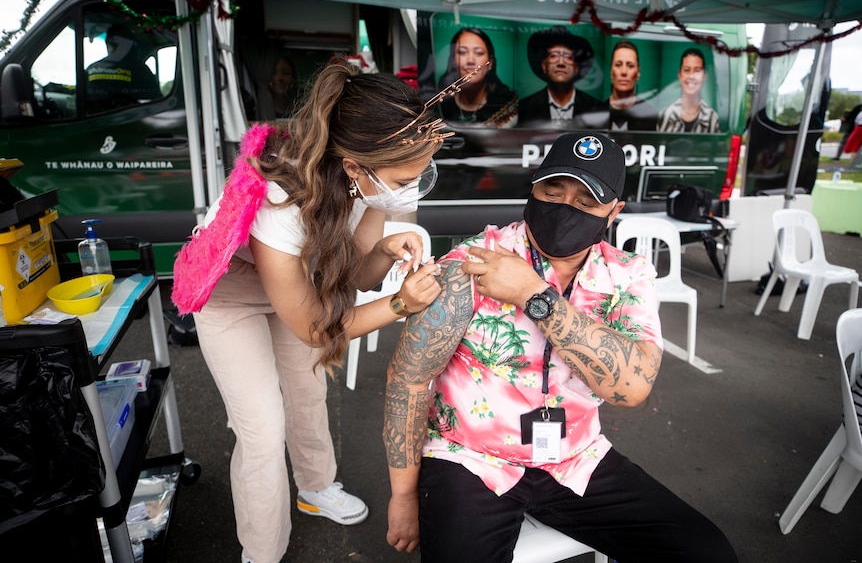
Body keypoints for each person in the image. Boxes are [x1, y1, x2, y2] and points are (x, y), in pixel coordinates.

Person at [382, 132, 738, 562]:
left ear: (613, 213)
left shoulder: (626, 276)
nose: (566, 208)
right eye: (553, 191)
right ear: (533, 187)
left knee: (707, 553)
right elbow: (410, 377)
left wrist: (535, 295)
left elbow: (632, 388)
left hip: (575, 458)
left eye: (586, 203)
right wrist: (403, 496)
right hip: (472, 458)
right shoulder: (473, 261)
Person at [170, 59, 447, 563]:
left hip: (296, 286)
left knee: (307, 392)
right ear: (356, 164)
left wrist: (385, 251)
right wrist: (402, 303)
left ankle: (315, 488)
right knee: (262, 427)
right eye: (404, 178)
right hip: (233, 293)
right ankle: (260, 551)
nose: (411, 189)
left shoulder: (371, 182)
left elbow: (351, 279)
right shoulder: (282, 197)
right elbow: (319, 329)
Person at [519, 26, 600, 126]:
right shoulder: (525, 108)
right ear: (544, 66)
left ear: (576, 68)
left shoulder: (595, 108)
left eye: (568, 57)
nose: (561, 62)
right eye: (554, 55)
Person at [437, 27, 518, 128]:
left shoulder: (510, 106)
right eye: (462, 52)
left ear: (490, 63)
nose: (470, 60)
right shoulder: (438, 104)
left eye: (478, 53)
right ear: (453, 61)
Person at [85, 24, 161, 113]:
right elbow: (157, 104)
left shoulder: (92, 69)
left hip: (97, 122)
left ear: (109, 44)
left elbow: (80, 101)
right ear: (131, 46)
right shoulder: (142, 71)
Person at [594, 40, 658, 131]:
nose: (624, 72)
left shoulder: (649, 115)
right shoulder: (595, 114)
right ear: (611, 72)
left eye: (630, 66)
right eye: (618, 65)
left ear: (638, 73)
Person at [657, 48, 720, 133]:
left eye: (697, 70)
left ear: (704, 76)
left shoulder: (712, 118)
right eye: (687, 70)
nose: (691, 76)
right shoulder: (665, 115)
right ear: (679, 75)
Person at [265, 55, 301, 119]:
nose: (280, 78)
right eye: (274, 73)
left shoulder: (302, 109)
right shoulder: (260, 110)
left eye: (286, 73)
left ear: (293, 78)